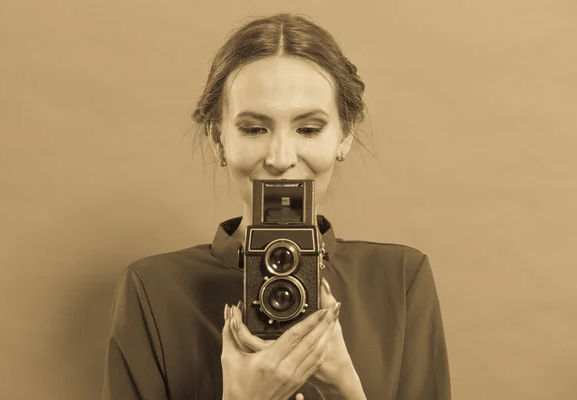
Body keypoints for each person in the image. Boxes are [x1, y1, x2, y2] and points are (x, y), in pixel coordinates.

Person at [102, 12, 451, 400]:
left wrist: (345, 387)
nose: (281, 157)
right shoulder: (151, 289)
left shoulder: (401, 279)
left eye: (308, 129)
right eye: (254, 129)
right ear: (219, 140)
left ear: (344, 136)